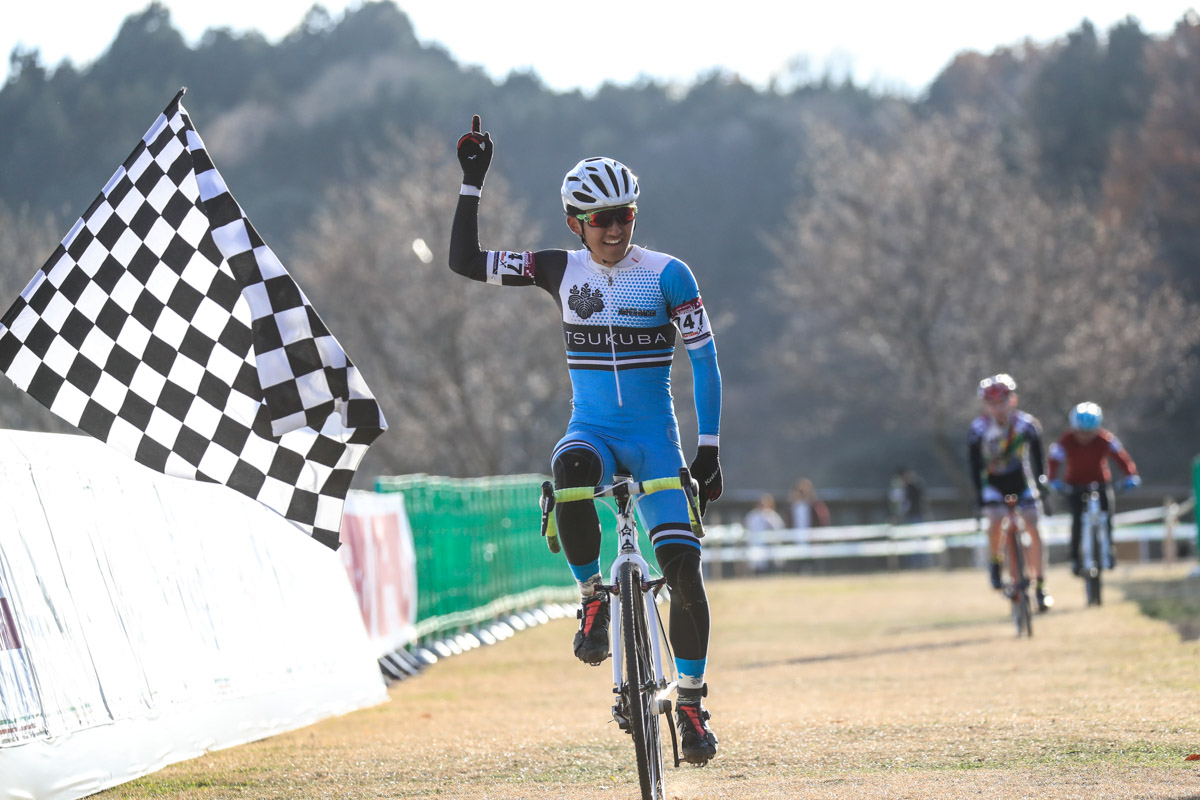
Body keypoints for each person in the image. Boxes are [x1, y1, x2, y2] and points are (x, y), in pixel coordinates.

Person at [449, 117, 722, 764]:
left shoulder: (668, 274)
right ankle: (592, 597)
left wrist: (708, 447)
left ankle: (689, 700)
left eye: (623, 214)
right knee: (569, 465)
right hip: (593, 434)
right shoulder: (555, 269)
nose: (614, 228)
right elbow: (464, 262)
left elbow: (705, 360)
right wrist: (471, 183)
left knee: (683, 571)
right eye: (599, 219)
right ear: (576, 223)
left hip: (656, 442)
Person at [967, 374, 1053, 611]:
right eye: (992, 404)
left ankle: (1041, 586)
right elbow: (974, 467)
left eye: (1002, 402)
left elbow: (1038, 461)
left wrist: (1042, 486)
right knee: (995, 520)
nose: (998, 408)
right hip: (994, 484)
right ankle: (995, 562)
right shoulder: (978, 429)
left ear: (1012, 400)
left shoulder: (1027, 425)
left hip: (1022, 482)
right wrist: (979, 497)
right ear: (986, 405)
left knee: (1034, 525)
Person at [1047, 402, 1140, 575]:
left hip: (1100, 482)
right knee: (1077, 519)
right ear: (1074, 428)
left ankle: (1109, 550)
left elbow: (1121, 458)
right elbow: (1054, 461)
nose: (1085, 436)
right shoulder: (1066, 440)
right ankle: (1075, 558)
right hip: (1074, 484)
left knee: (1107, 515)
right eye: (1081, 432)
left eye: (1089, 432)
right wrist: (1052, 480)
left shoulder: (1105, 439)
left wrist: (1131, 475)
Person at [744, 493, 785, 573]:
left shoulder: (774, 516)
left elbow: (779, 530)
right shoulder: (752, 516)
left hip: (772, 549)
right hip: (757, 547)